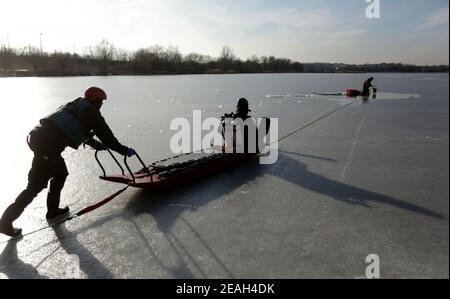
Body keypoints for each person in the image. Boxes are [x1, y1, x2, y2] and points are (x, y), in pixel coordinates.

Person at [0, 87, 136, 237]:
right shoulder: (92, 112)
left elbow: (74, 127)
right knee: (34, 187)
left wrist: (96, 144)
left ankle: (53, 211)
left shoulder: (77, 105)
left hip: (39, 139)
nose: (101, 104)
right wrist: (124, 150)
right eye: (101, 101)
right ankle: (5, 223)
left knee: (61, 173)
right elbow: (108, 137)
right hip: (48, 147)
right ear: (97, 100)